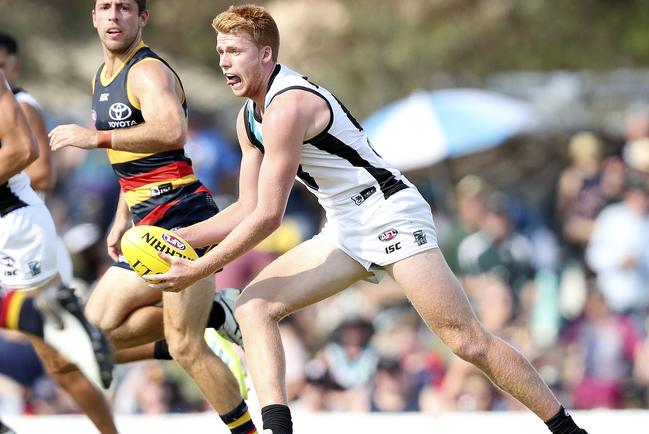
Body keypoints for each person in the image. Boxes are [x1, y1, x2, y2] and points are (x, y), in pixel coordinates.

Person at [147, 5, 591, 434]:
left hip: (387, 211)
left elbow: (267, 218)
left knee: (466, 341)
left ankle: (567, 430)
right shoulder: (250, 119)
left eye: (235, 51)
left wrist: (200, 268)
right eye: (221, 52)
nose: (224, 62)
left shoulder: (287, 107)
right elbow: (244, 207)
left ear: (266, 55)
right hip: (345, 226)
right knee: (252, 307)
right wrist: (175, 235)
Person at [48, 1, 257, 432]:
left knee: (185, 346)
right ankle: (217, 316)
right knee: (95, 334)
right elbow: (131, 155)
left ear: (142, 18)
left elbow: (171, 131)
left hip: (183, 217)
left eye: (124, 8)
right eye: (104, 7)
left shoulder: (148, 72)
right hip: (144, 225)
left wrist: (94, 137)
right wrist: (121, 216)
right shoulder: (100, 77)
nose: (113, 16)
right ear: (93, 16)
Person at [0, 31, 119, 434]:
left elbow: (34, 165)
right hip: (17, 230)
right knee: (63, 353)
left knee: (60, 361)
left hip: (16, 229)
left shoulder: (21, 102)